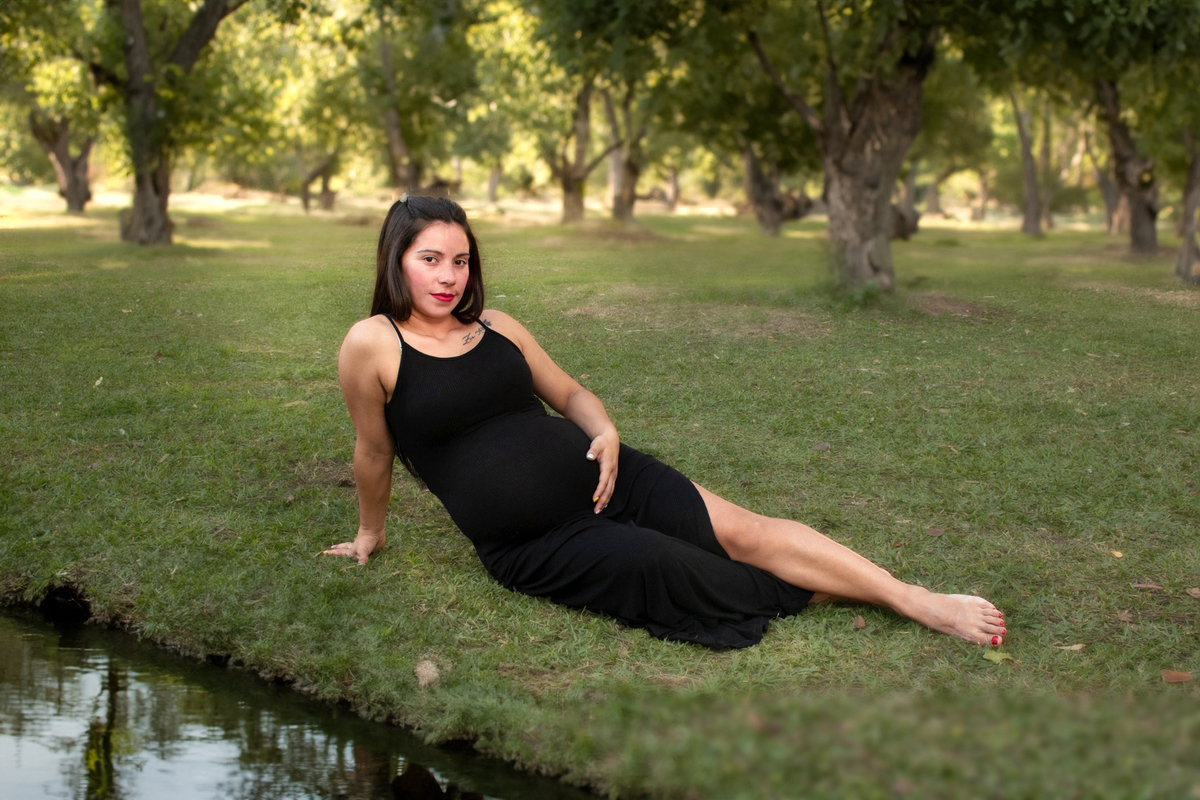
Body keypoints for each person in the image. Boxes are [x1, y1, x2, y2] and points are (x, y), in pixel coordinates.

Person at [323, 196, 1006, 649]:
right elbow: (373, 452)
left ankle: (916, 600)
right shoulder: (372, 344)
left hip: (603, 475)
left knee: (744, 531)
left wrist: (606, 432)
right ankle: (836, 590)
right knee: (670, 566)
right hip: (534, 539)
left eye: (460, 260)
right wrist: (369, 533)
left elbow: (571, 394)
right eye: (430, 259)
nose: (448, 276)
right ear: (397, 259)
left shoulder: (497, 325)